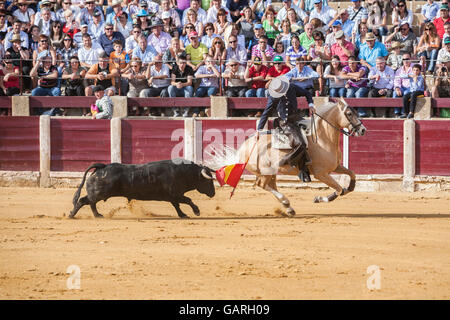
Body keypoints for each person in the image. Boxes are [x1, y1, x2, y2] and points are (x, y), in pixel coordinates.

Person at [256, 75, 312, 182]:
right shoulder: (273, 97)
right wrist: (259, 130)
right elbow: (266, 113)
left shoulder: (291, 87)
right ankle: (288, 162)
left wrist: (311, 105)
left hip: (297, 118)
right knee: (301, 143)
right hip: (285, 123)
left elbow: (307, 93)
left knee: (316, 130)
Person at [30, 51, 61, 115]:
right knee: (34, 92)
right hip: (42, 88)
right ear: (43, 63)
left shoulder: (53, 68)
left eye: (49, 62)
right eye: (46, 62)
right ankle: (39, 111)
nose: (48, 63)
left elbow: (55, 75)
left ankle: (56, 111)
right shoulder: (40, 68)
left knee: (57, 91)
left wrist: (43, 77)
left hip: (52, 88)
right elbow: (31, 74)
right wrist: (37, 63)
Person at [168, 52, 194, 117]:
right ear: (178, 63)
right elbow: (172, 82)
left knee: (190, 88)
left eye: (184, 63)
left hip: (184, 88)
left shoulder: (189, 69)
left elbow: (189, 82)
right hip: (177, 88)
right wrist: (177, 84)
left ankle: (186, 110)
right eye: (181, 63)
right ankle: (175, 110)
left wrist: (182, 84)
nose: (182, 65)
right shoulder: (175, 68)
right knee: (170, 88)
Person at [393, 52, 413, 117]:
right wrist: (397, 88)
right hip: (402, 87)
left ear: (411, 59)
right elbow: (396, 80)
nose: (405, 61)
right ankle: (397, 112)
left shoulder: (415, 67)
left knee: (406, 93)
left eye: (407, 59)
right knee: (395, 93)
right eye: (404, 59)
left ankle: (403, 112)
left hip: (411, 87)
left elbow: (422, 67)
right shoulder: (399, 70)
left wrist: (423, 61)